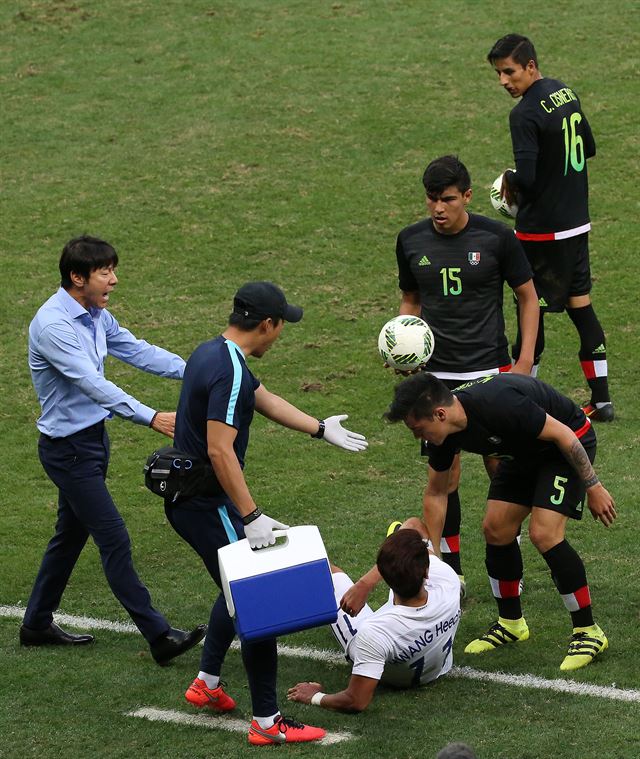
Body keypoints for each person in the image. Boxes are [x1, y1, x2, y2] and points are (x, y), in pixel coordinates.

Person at [166, 280, 368, 746]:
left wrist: (319, 428)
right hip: (207, 503)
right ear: (267, 324)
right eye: (281, 326)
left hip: (196, 501)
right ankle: (266, 722)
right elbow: (220, 452)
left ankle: (208, 685)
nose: (281, 335)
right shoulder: (229, 370)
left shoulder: (212, 351)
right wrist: (251, 514)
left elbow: (262, 397)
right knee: (259, 599)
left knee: (236, 589)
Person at [22, 235, 206, 665]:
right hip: (68, 452)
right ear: (76, 277)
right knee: (114, 539)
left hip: (90, 444)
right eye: (105, 272)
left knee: (69, 537)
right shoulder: (53, 326)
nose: (114, 280)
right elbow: (93, 384)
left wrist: (199, 369)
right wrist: (150, 416)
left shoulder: (94, 313)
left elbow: (136, 350)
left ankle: (35, 625)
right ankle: (159, 635)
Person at [384, 372, 615, 671]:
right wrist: (436, 557)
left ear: (439, 414)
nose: (419, 437)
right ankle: (511, 624)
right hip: (521, 454)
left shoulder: (499, 404)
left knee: (544, 534)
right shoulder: (444, 434)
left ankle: (588, 631)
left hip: (564, 447)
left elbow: (563, 435)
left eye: (419, 429)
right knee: (496, 528)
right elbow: (437, 492)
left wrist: (593, 486)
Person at [394, 154, 539, 587]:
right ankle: (448, 571)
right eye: (432, 200)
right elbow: (410, 301)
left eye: (448, 199)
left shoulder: (497, 237)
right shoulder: (410, 240)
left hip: (491, 373)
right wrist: (403, 345)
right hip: (437, 379)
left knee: (502, 468)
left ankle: (506, 559)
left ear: (468, 196)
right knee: (444, 475)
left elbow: (528, 297)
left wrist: (525, 361)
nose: (439, 208)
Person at [487, 34, 613, 422]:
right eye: (498, 74)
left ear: (530, 65)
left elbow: (525, 175)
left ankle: (527, 398)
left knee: (531, 307)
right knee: (581, 306)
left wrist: (509, 178)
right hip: (577, 225)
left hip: (542, 232)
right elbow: (588, 147)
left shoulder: (523, 114)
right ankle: (602, 400)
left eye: (509, 72)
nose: (504, 81)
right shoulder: (564, 92)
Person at [287, 519, 460, 713]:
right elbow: (414, 524)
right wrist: (367, 582)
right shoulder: (448, 580)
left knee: (326, 574)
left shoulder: (373, 633)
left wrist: (314, 697)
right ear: (426, 570)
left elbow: (355, 701)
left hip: (394, 672)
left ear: (385, 579)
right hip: (438, 666)